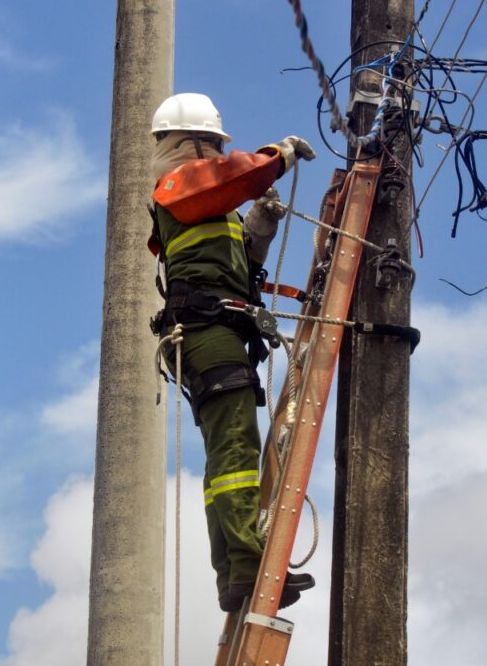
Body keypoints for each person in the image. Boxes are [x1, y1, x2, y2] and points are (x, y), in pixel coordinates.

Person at [147, 92, 317, 612]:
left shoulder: (205, 206)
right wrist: (277, 157)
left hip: (216, 330)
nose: (217, 152)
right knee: (236, 452)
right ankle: (246, 564)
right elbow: (229, 179)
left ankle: (236, 572)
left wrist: (258, 232)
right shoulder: (178, 185)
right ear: (191, 142)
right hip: (206, 332)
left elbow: (236, 264)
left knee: (229, 455)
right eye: (213, 143)